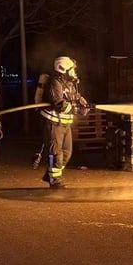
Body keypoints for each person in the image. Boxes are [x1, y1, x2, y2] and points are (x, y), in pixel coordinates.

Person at [38, 56, 93, 189]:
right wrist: (77, 111)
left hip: (65, 124)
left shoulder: (68, 84)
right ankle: (55, 180)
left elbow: (74, 96)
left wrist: (82, 102)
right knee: (56, 152)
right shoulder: (54, 83)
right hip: (54, 123)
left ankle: (50, 174)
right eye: (71, 70)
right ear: (63, 69)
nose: (74, 72)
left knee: (67, 152)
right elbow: (59, 104)